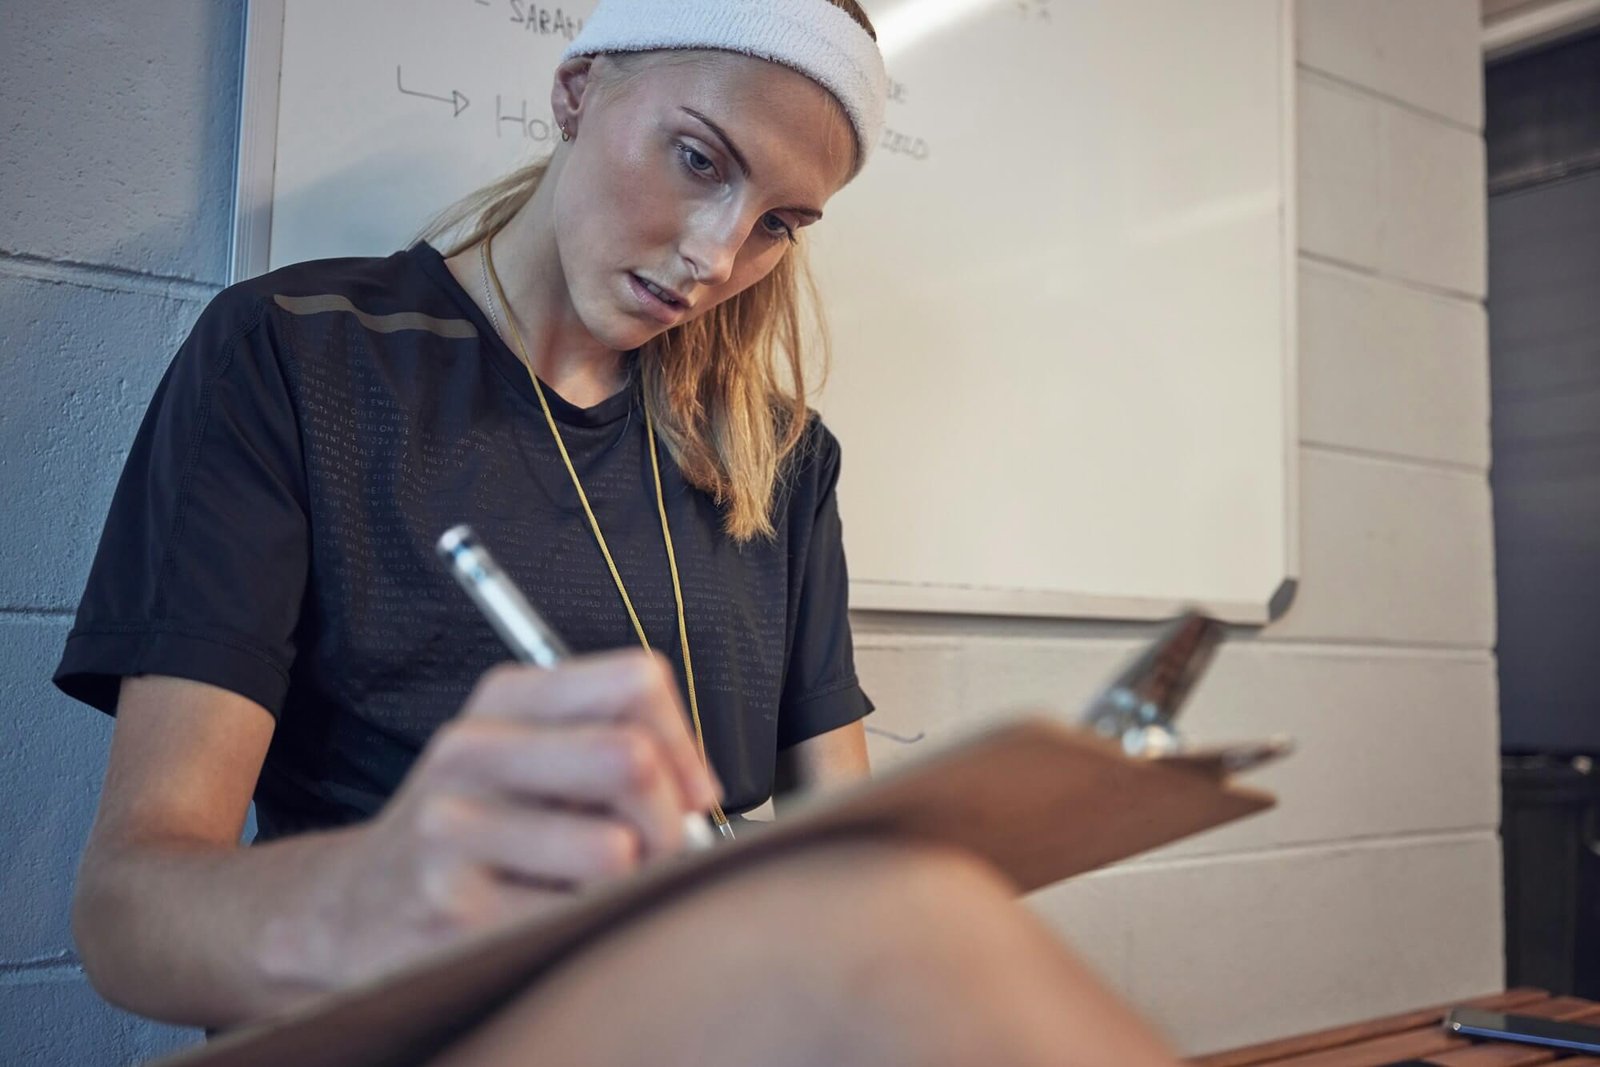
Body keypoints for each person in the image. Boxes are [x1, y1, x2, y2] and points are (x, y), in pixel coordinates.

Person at [51, 1, 1184, 1062]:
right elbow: (125, 911)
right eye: (699, 159)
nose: (714, 258)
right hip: (417, 1020)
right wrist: (376, 895)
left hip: (713, 1011)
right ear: (578, 88)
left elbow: (840, 847)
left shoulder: (777, 458)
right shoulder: (299, 357)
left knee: (913, 906)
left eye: (777, 225)